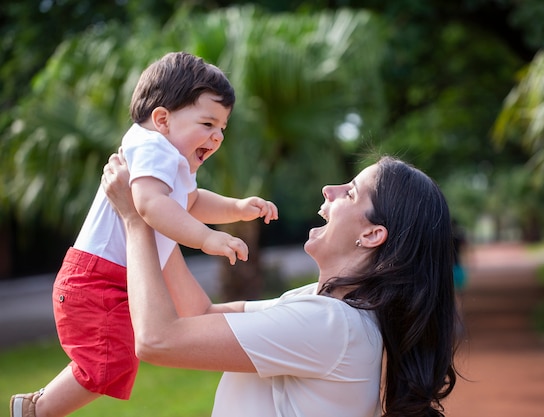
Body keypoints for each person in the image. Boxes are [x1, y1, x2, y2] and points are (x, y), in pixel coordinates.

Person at [10, 51, 278, 417]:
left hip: (111, 278)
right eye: (207, 123)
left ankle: (34, 408)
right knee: (109, 364)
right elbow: (150, 205)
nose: (216, 137)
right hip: (95, 279)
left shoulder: (172, 158)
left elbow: (191, 200)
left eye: (222, 129)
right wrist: (206, 239)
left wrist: (235, 207)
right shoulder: (152, 147)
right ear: (163, 119)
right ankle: (35, 411)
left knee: (112, 363)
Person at [100, 152, 458, 417]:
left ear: (372, 234)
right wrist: (158, 211)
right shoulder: (319, 306)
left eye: (349, 193)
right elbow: (199, 314)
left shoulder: (331, 325)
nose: (329, 190)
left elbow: (158, 340)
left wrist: (136, 220)